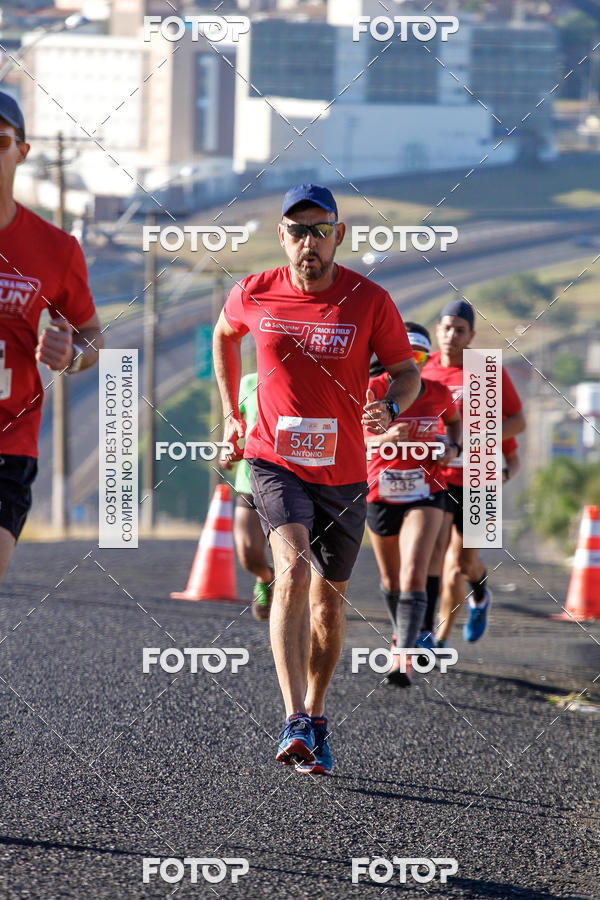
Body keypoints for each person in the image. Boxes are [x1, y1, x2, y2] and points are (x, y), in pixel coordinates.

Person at [213, 183, 420, 775]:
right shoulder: (253, 292)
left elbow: (405, 374)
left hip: (346, 470)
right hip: (274, 460)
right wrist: (233, 412)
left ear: (339, 235)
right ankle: (293, 716)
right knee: (293, 568)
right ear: (281, 236)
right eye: (297, 231)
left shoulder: (370, 299)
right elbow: (224, 335)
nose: (309, 242)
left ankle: (318, 715)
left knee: (330, 604)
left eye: (320, 230)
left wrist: (392, 408)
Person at [0, 92, 102, 577]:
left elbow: (90, 336)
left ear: (21, 151)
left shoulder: (56, 249)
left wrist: (71, 355)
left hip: (9, 441)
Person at [423, 299, 525, 647]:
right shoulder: (422, 370)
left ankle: (481, 594)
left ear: (471, 336)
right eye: (446, 328)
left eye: (460, 330)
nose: (452, 335)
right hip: (437, 477)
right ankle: (438, 640)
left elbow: (518, 421)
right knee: (442, 560)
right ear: (437, 330)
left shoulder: (484, 370)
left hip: (479, 478)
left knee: (465, 564)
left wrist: (480, 434)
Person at [365, 323, 461, 686]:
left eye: (422, 356)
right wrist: (385, 436)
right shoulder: (373, 390)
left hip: (427, 490)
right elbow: (352, 436)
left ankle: (402, 656)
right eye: (408, 356)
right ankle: (400, 635)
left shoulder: (437, 391)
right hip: (381, 491)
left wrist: (454, 448)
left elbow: (453, 424)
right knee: (391, 580)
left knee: (413, 573)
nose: (414, 363)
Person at [220, 371, 274, 621]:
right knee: (248, 554)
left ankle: (294, 604)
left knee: (294, 558)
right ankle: (266, 577)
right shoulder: (248, 382)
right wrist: (227, 448)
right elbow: (234, 421)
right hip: (250, 481)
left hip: (292, 481)